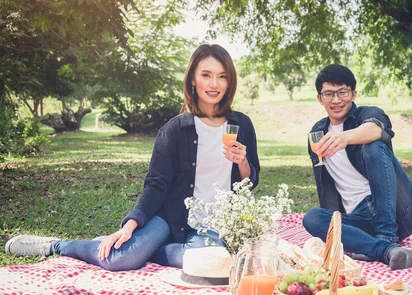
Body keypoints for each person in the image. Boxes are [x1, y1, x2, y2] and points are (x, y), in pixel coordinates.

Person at [5, 44, 260, 271]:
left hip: (212, 226)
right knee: (118, 259)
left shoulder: (242, 125)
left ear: (229, 82)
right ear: (193, 80)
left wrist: (242, 163)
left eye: (222, 77)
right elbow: (156, 184)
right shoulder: (175, 129)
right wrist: (131, 224)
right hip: (170, 217)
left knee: (213, 262)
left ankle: (147, 251)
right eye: (206, 75)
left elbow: (251, 181)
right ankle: (57, 245)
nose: (214, 84)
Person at [302, 64, 412, 270]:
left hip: (398, 210)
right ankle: (386, 251)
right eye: (329, 94)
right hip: (360, 219)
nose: (336, 100)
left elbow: (377, 129)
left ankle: (387, 235)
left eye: (342, 92)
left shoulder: (368, 114)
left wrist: (345, 138)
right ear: (319, 98)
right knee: (312, 218)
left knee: (374, 145)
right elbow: (325, 185)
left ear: (353, 93)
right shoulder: (317, 133)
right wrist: (333, 225)